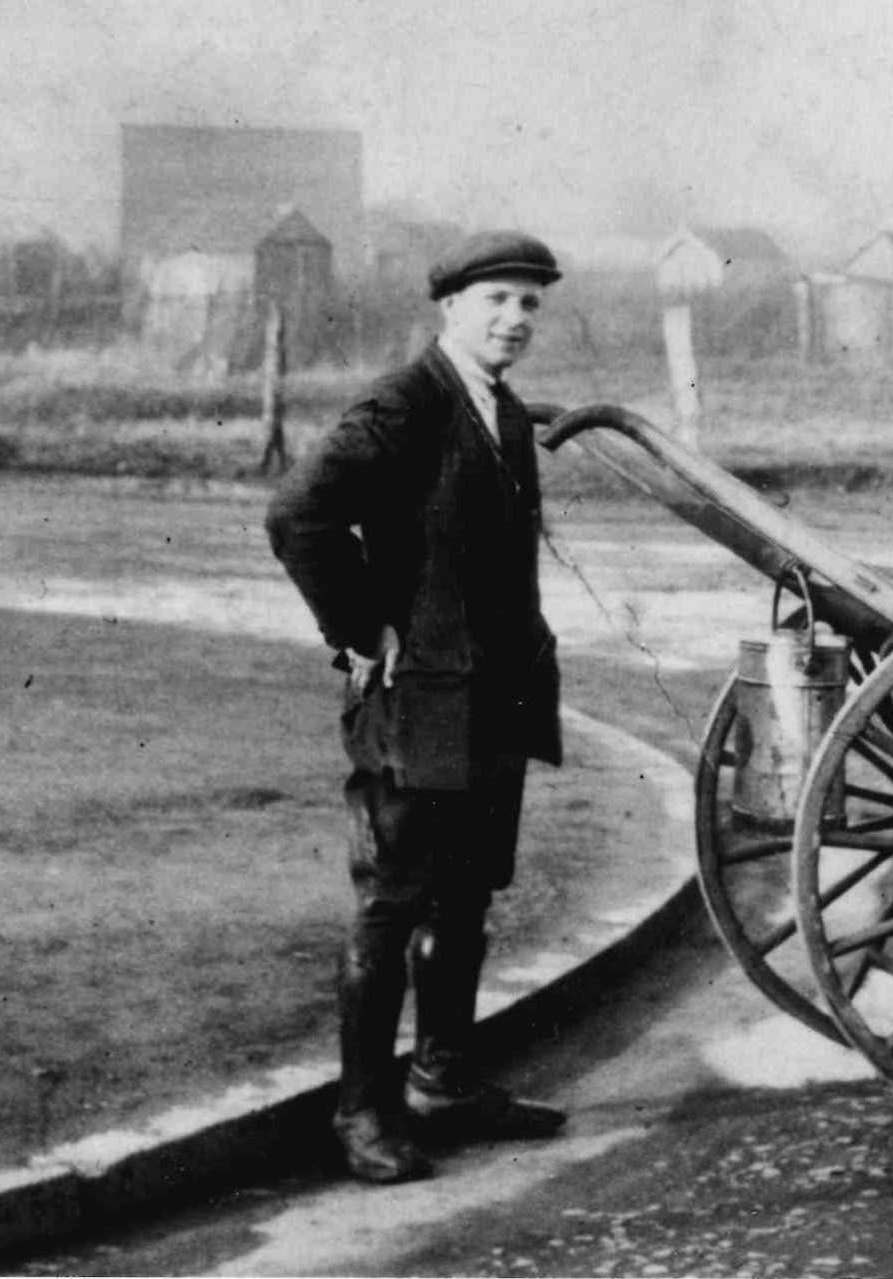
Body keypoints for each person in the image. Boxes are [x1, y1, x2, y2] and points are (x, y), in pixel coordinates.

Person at [266, 230, 569, 1184]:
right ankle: (361, 1112)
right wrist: (361, 629)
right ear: (451, 308)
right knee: (390, 905)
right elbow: (298, 514)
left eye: (530, 303)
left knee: (467, 898)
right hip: (414, 708)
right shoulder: (405, 404)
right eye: (498, 300)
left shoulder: (504, 414)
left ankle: (444, 1081)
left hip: (492, 702)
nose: (516, 319)